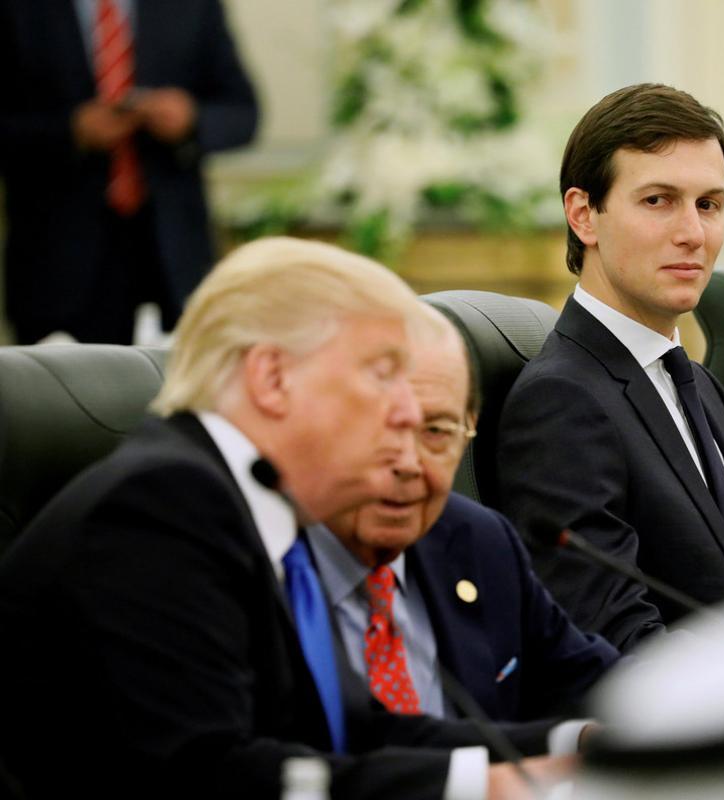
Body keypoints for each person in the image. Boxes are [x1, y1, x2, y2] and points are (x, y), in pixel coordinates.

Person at [0, 238, 571, 800]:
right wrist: (485, 788)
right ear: (272, 378)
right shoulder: (162, 503)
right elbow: (207, 771)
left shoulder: (262, 509)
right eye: (381, 374)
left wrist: (578, 745)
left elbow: (355, 730)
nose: (405, 413)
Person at [497, 84, 724, 653]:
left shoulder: (696, 382)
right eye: (658, 200)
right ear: (584, 215)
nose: (693, 233)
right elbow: (613, 639)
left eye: (709, 204)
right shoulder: (563, 400)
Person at [308, 306, 620, 726]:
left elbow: (590, 677)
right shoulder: (269, 565)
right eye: (383, 428)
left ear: (468, 429)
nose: (408, 462)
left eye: (436, 431)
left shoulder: (478, 539)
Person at [0, 0, 259, 344]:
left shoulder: (192, 6)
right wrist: (69, 132)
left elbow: (242, 112)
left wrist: (190, 118)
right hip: (57, 267)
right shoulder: (18, 9)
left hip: (173, 261)